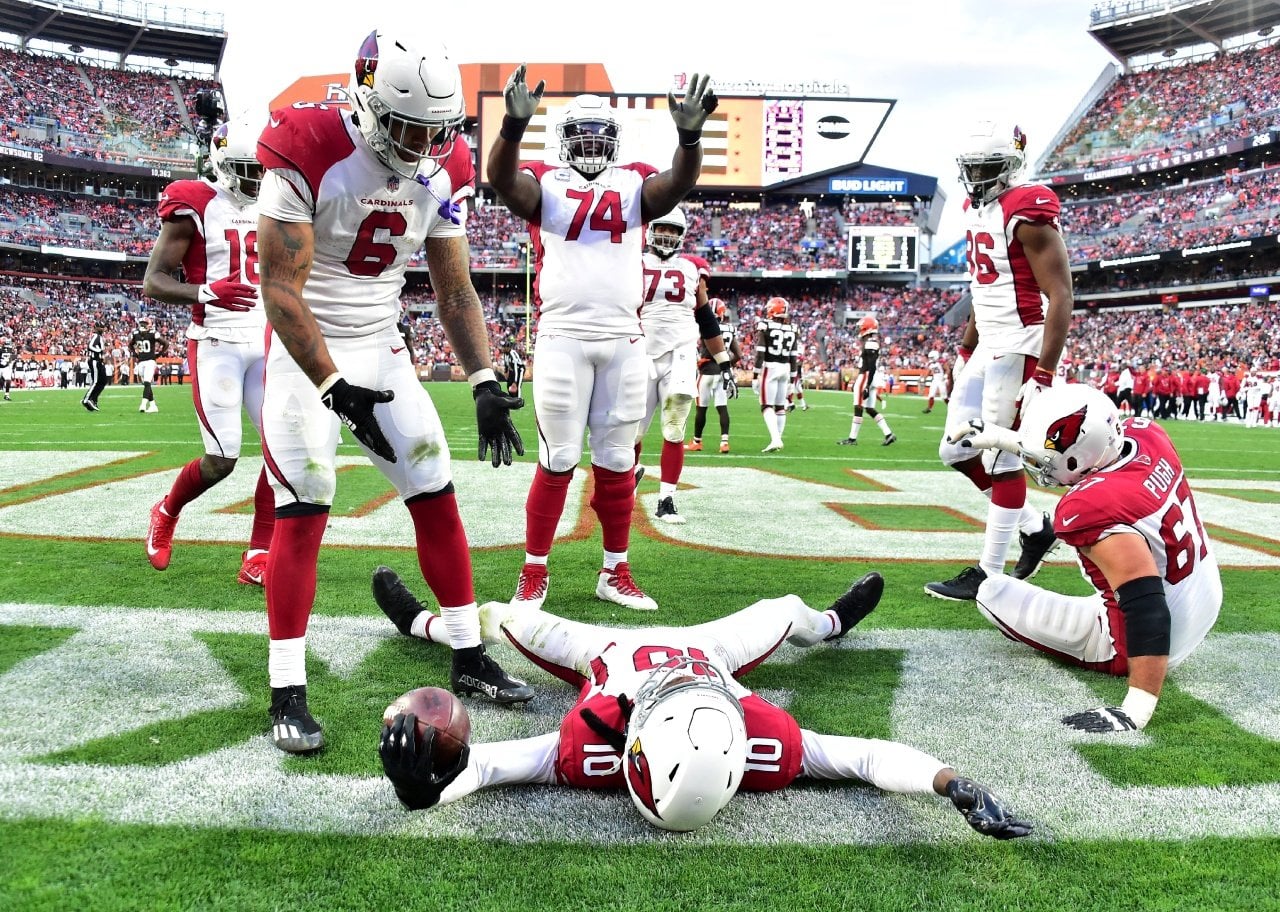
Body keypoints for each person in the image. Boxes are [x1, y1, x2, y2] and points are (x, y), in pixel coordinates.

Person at [253, 28, 531, 754]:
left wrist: (482, 379)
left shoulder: (445, 166)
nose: (422, 146)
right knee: (306, 502)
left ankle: (468, 654)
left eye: (435, 131)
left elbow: (455, 288)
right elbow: (280, 289)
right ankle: (286, 690)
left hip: (381, 345)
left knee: (435, 487)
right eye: (408, 127)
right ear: (371, 105)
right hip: (305, 350)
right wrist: (330, 385)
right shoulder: (309, 144)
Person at [372, 567, 1032, 839]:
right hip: (708, 650)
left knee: (504, 616)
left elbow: (481, 766)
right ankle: (829, 624)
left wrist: (421, 791)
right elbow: (861, 757)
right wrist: (949, 782)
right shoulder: (765, 747)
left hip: (604, 652)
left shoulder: (592, 750)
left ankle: (418, 624)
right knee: (782, 611)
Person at [487, 65, 719, 612]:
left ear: (614, 141)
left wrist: (689, 137)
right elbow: (502, 181)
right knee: (558, 458)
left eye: (600, 136)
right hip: (564, 333)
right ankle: (534, 572)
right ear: (564, 140)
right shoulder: (545, 180)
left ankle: (615, 571)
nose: (591, 146)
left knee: (617, 460)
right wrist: (513, 127)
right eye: (582, 136)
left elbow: (677, 185)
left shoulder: (634, 180)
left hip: (624, 336)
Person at [947, 384, 1220, 731]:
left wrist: (1137, 707)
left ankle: (1133, 679)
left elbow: (1146, 606)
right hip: (1201, 598)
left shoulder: (1090, 507)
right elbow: (1074, 452)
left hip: (1146, 639)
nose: (1039, 467)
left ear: (1081, 457)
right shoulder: (1147, 435)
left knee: (991, 593)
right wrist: (1004, 438)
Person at [926, 120, 1070, 601]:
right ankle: (1035, 528)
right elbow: (981, 288)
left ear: (1009, 166)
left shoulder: (1027, 209)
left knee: (1001, 458)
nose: (976, 177)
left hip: (1022, 346)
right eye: (971, 168)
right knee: (954, 450)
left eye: (986, 168)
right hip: (988, 345)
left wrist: (1045, 372)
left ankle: (989, 572)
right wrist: (966, 346)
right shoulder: (975, 205)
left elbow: (1061, 293)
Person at [141, 117, 276, 585]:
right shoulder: (196, 201)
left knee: (283, 452)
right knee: (222, 460)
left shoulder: (276, 197)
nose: (256, 178)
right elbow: (153, 281)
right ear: (222, 163)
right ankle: (167, 509)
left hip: (265, 342)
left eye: (259, 168)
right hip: (217, 341)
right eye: (246, 169)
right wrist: (204, 292)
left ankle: (259, 552)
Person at [635, 205, 736, 524]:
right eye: (662, 228)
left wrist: (723, 362)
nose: (666, 234)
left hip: (680, 353)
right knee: (631, 432)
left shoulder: (693, 268)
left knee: (675, 426)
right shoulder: (631, 261)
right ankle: (630, 474)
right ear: (652, 230)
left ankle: (666, 498)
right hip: (640, 351)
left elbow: (706, 318)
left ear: (682, 235)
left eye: (673, 230)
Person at [687, 298, 741, 454]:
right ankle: (724, 442)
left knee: (701, 408)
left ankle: (697, 441)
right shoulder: (730, 329)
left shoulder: (703, 325)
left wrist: (701, 361)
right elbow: (738, 354)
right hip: (722, 372)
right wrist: (727, 365)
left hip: (707, 371)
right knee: (722, 407)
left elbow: (704, 351)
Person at [836, 315, 895, 446]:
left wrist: (867, 385)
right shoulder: (870, 342)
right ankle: (889, 434)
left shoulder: (870, 343)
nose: (859, 330)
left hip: (867, 376)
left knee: (858, 406)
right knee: (869, 408)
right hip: (870, 376)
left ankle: (852, 439)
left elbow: (871, 365)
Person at [753, 296, 799, 453]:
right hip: (785, 368)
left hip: (770, 367)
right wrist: (793, 379)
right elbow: (794, 357)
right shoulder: (793, 329)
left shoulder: (765, 326)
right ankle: (777, 438)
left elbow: (760, 354)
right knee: (780, 407)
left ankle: (776, 439)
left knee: (766, 405)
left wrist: (754, 375)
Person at [129, 316, 164, 413]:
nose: (143, 325)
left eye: (145, 323)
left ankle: (143, 404)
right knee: (146, 384)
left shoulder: (153, 334)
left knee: (147, 383)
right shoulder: (136, 334)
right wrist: (135, 353)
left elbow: (165, 343)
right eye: (142, 323)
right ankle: (153, 405)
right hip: (141, 361)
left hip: (150, 361)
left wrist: (159, 354)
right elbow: (130, 345)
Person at [81, 321, 108, 412]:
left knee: (103, 381)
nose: (102, 329)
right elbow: (90, 346)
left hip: (99, 361)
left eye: (103, 327)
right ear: (96, 328)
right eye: (100, 327)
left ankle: (93, 400)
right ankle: (86, 400)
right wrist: (99, 350)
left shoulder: (99, 337)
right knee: (96, 381)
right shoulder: (96, 336)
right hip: (94, 361)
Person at [922, 349, 949, 414]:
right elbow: (928, 372)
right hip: (935, 380)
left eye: (931, 357)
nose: (930, 359)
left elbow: (947, 369)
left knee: (944, 396)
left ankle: (951, 407)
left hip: (941, 380)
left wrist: (945, 376)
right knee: (931, 395)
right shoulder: (930, 364)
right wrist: (924, 379)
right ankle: (929, 408)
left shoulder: (941, 361)